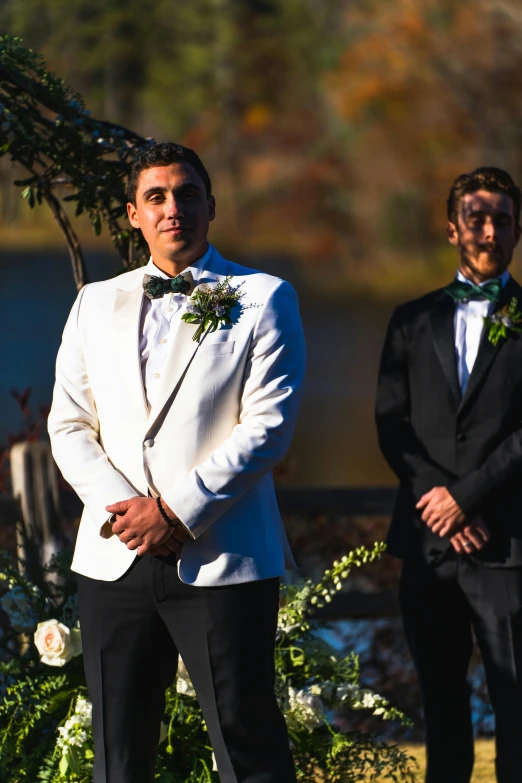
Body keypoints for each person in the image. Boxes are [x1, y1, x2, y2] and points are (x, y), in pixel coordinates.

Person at [48, 141, 305, 783]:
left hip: (220, 556)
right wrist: (130, 514)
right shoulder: (93, 304)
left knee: (246, 746)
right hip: (115, 557)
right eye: (156, 196)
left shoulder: (264, 297)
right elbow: (69, 425)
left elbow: (267, 429)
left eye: (187, 193)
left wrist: (175, 512)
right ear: (133, 214)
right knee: (119, 752)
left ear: (210, 205)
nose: (173, 208)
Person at [376, 167, 522, 783]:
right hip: (429, 544)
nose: (488, 231)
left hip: (508, 544)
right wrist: (439, 499)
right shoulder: (410, 320)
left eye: (502, 220)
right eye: (476, 218)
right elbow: (391, 425)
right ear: (451, 229)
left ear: (517, 231)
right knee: (441, 705)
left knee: (516, 705)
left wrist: (467, 497)